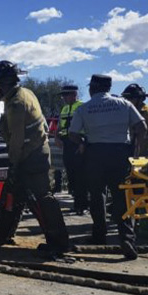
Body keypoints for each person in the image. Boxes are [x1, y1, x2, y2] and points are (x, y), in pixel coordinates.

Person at [0, 61, 69, 252]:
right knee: (11, 195)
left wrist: (14, 164)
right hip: (35, 152)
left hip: (31, 157)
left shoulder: (16, 103)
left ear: (2, 84)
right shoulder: (25, 93)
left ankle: (59, 242)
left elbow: (17, 139)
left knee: (42, 198)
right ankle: (2, 234)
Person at [68, 74, 146, 259]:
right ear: (108, 88)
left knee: (97, 195)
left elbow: (72, 134)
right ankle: (127, 238)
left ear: (92, 88)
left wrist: (83, 142)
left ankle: (99, 235)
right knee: (122, 197)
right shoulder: (124, 104)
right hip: (120, 153)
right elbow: (141, 127)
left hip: (95, 153)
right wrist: (136, 152)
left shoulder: (85, 108)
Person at [54, 85, 87, 215]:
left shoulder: (82, 106)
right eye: (63, 96)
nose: (64, 98)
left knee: (80, 175)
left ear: (74, 94)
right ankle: (76, 203)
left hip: (79, 142)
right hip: (67, 144)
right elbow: (60, 125)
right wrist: (57, 137)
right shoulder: (65, 108)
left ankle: (82, 204)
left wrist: (82, 143)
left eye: (66, 95)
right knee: (71, 174)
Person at [121, 83, 148, 157]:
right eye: (126, 98)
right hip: (131, 155)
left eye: (130, 98)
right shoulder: (127, 113)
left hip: (145, 157)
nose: (127, 101)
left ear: (140, 99)